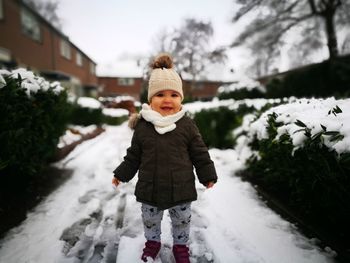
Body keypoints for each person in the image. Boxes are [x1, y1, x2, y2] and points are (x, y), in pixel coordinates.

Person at [112, 53, 217, 263]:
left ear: (181, 99)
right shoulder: (143, 126)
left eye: (173, 95)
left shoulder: (187, 125)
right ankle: (153, 243)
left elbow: (199, 152)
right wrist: (121, 174)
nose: (167, 99)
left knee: (182, 221)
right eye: (160, 94)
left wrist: (207, 174)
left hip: (181, 187)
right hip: (150, 187)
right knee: (150, 220)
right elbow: (134, 156)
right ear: (150, 100)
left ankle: (180, 247)